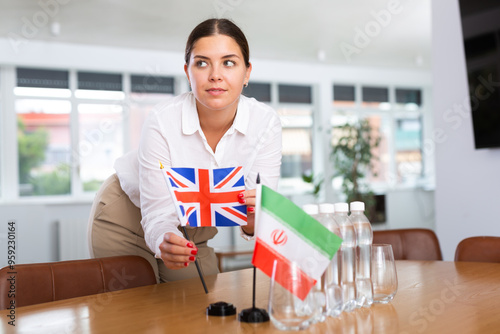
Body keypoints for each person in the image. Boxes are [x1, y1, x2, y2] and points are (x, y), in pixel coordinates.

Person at [88, 18, 282, 283]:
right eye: (202, 63)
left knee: (201, 314)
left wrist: (257, 216)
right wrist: (163, 240)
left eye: (228, 62)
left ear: (247, 72)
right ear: (187, 71)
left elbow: (256, 213)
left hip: (195, 229)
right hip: (127, 217)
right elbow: (157, 213)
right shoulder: (162, 120)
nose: (215, 74)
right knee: (136, 313)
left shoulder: (266, 123)